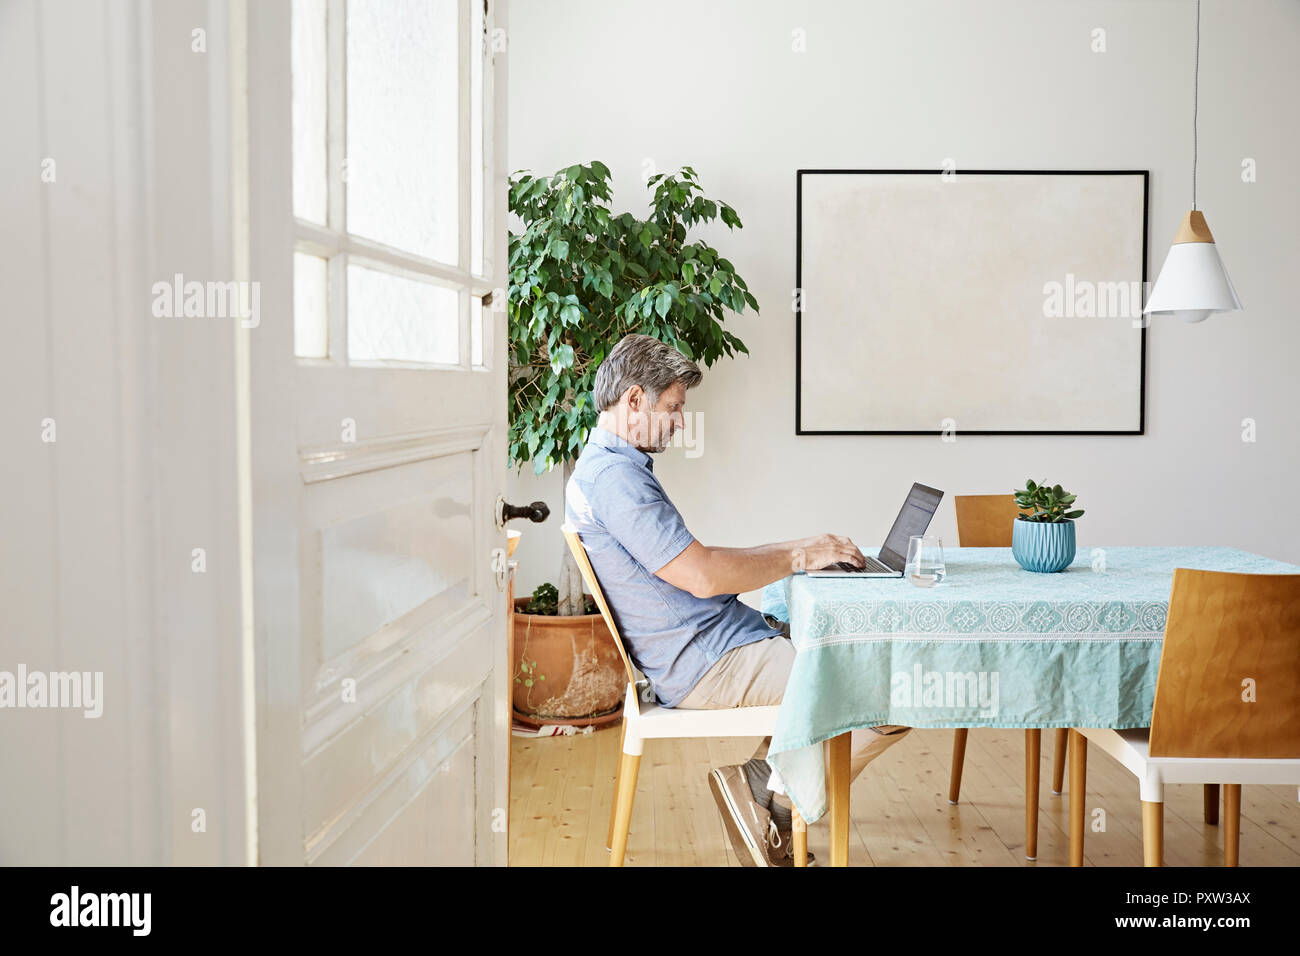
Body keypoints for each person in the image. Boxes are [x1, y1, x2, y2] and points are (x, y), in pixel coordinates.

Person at [565, 333, 910, 866]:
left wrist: (805, 547)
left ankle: (762, 785)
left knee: (858, 652)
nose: (681, 422)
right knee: (892, 682)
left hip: (711, 645)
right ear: (634, 400)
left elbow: (696, 557)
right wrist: (799, 557)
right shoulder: (615, 478)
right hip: (707, 662)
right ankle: (776, 795)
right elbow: (702, 576)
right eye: (674, 407)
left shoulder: (613, 467)